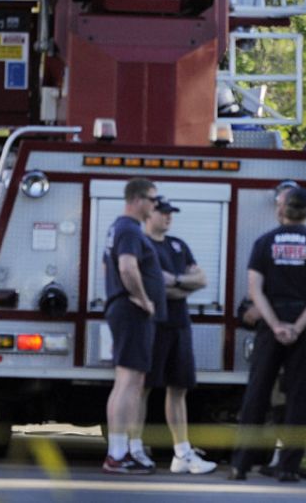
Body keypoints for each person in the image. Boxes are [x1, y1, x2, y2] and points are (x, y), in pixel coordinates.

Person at [229, 186, 306, 482]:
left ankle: (240, 464)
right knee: (302, 399)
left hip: (270, 327)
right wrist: (299, 325)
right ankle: (289, 467)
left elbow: (255, 290)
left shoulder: (265, 243)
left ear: (281, 209)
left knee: (257, 394)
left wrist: (275, 324)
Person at [127, 195, 217, 474]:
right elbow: (147, 288)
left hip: (179, 322)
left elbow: (201, 279)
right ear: (149, 214)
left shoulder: (178, 246)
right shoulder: (141, 245)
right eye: (163, 212)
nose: (168, 217)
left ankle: (182, 453)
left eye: (171, 213)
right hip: (152, 323)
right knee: (142, 388)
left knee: (179, 388)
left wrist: (176, 281)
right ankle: (134, 448)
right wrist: (176, 287)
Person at [101, 178, 167, 474]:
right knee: (127, 383)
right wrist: (142, 299)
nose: (155, 206)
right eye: (153, 200)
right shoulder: (128, 229)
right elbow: (126, 266)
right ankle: (116, 454)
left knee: (130, 382)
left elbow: (109, 266)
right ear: (138, 199)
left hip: (125, 310)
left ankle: (121, 450)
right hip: (131, 311)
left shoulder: (121, 228)